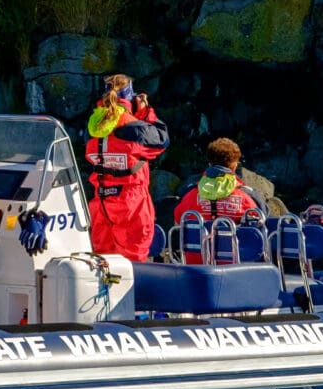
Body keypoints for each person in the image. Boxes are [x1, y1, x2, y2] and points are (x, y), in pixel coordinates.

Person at [83, 74, 170, 263]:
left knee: (103, 262)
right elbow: (162, 140)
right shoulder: (135, 129)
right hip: (131, 203)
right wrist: (145, 112)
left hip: (101, 202)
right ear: (130, 98)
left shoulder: (93, 127)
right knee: (133, 262)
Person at [170, 138, 265, 260]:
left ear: (209, 164)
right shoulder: (248, 197)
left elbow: (178, 221)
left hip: (195, 264)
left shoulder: (188, 194)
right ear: (235, 166)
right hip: (234, 265)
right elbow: (260, 225)